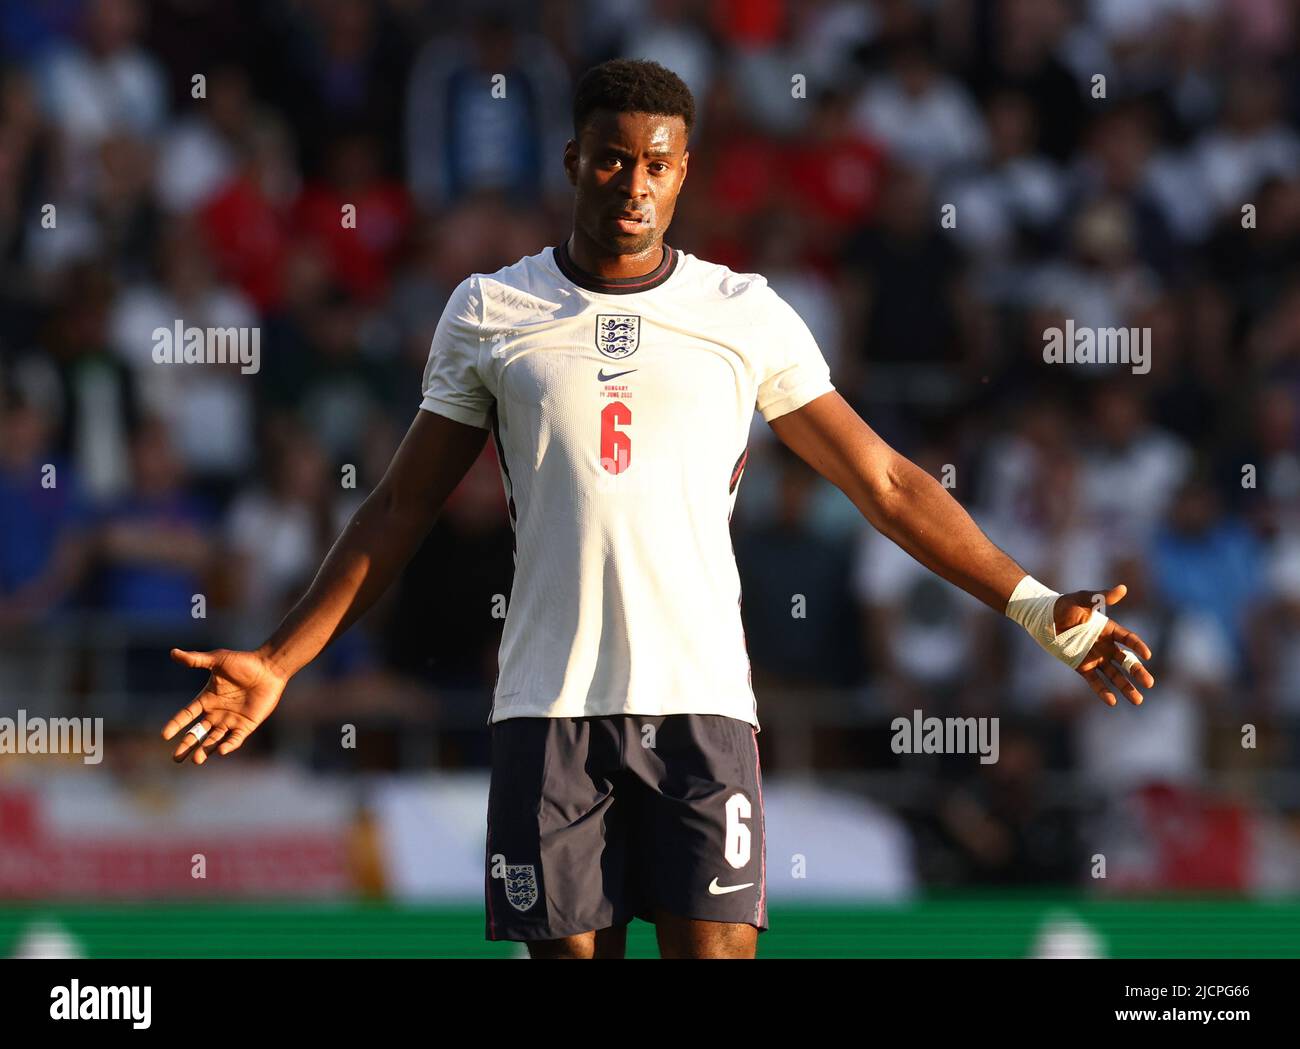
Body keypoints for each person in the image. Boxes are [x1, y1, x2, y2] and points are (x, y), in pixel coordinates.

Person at [161, 59, 1154, 959]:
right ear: (572, 161)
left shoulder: (743, 312)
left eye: (657, 164)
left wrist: (1032, 604)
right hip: (549, 709)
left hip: (702, 707)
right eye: (612, 160)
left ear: (684, 174)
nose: (634, 184)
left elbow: (887, 484)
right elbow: (397, 508)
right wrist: (279, 659)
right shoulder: (488, 309)